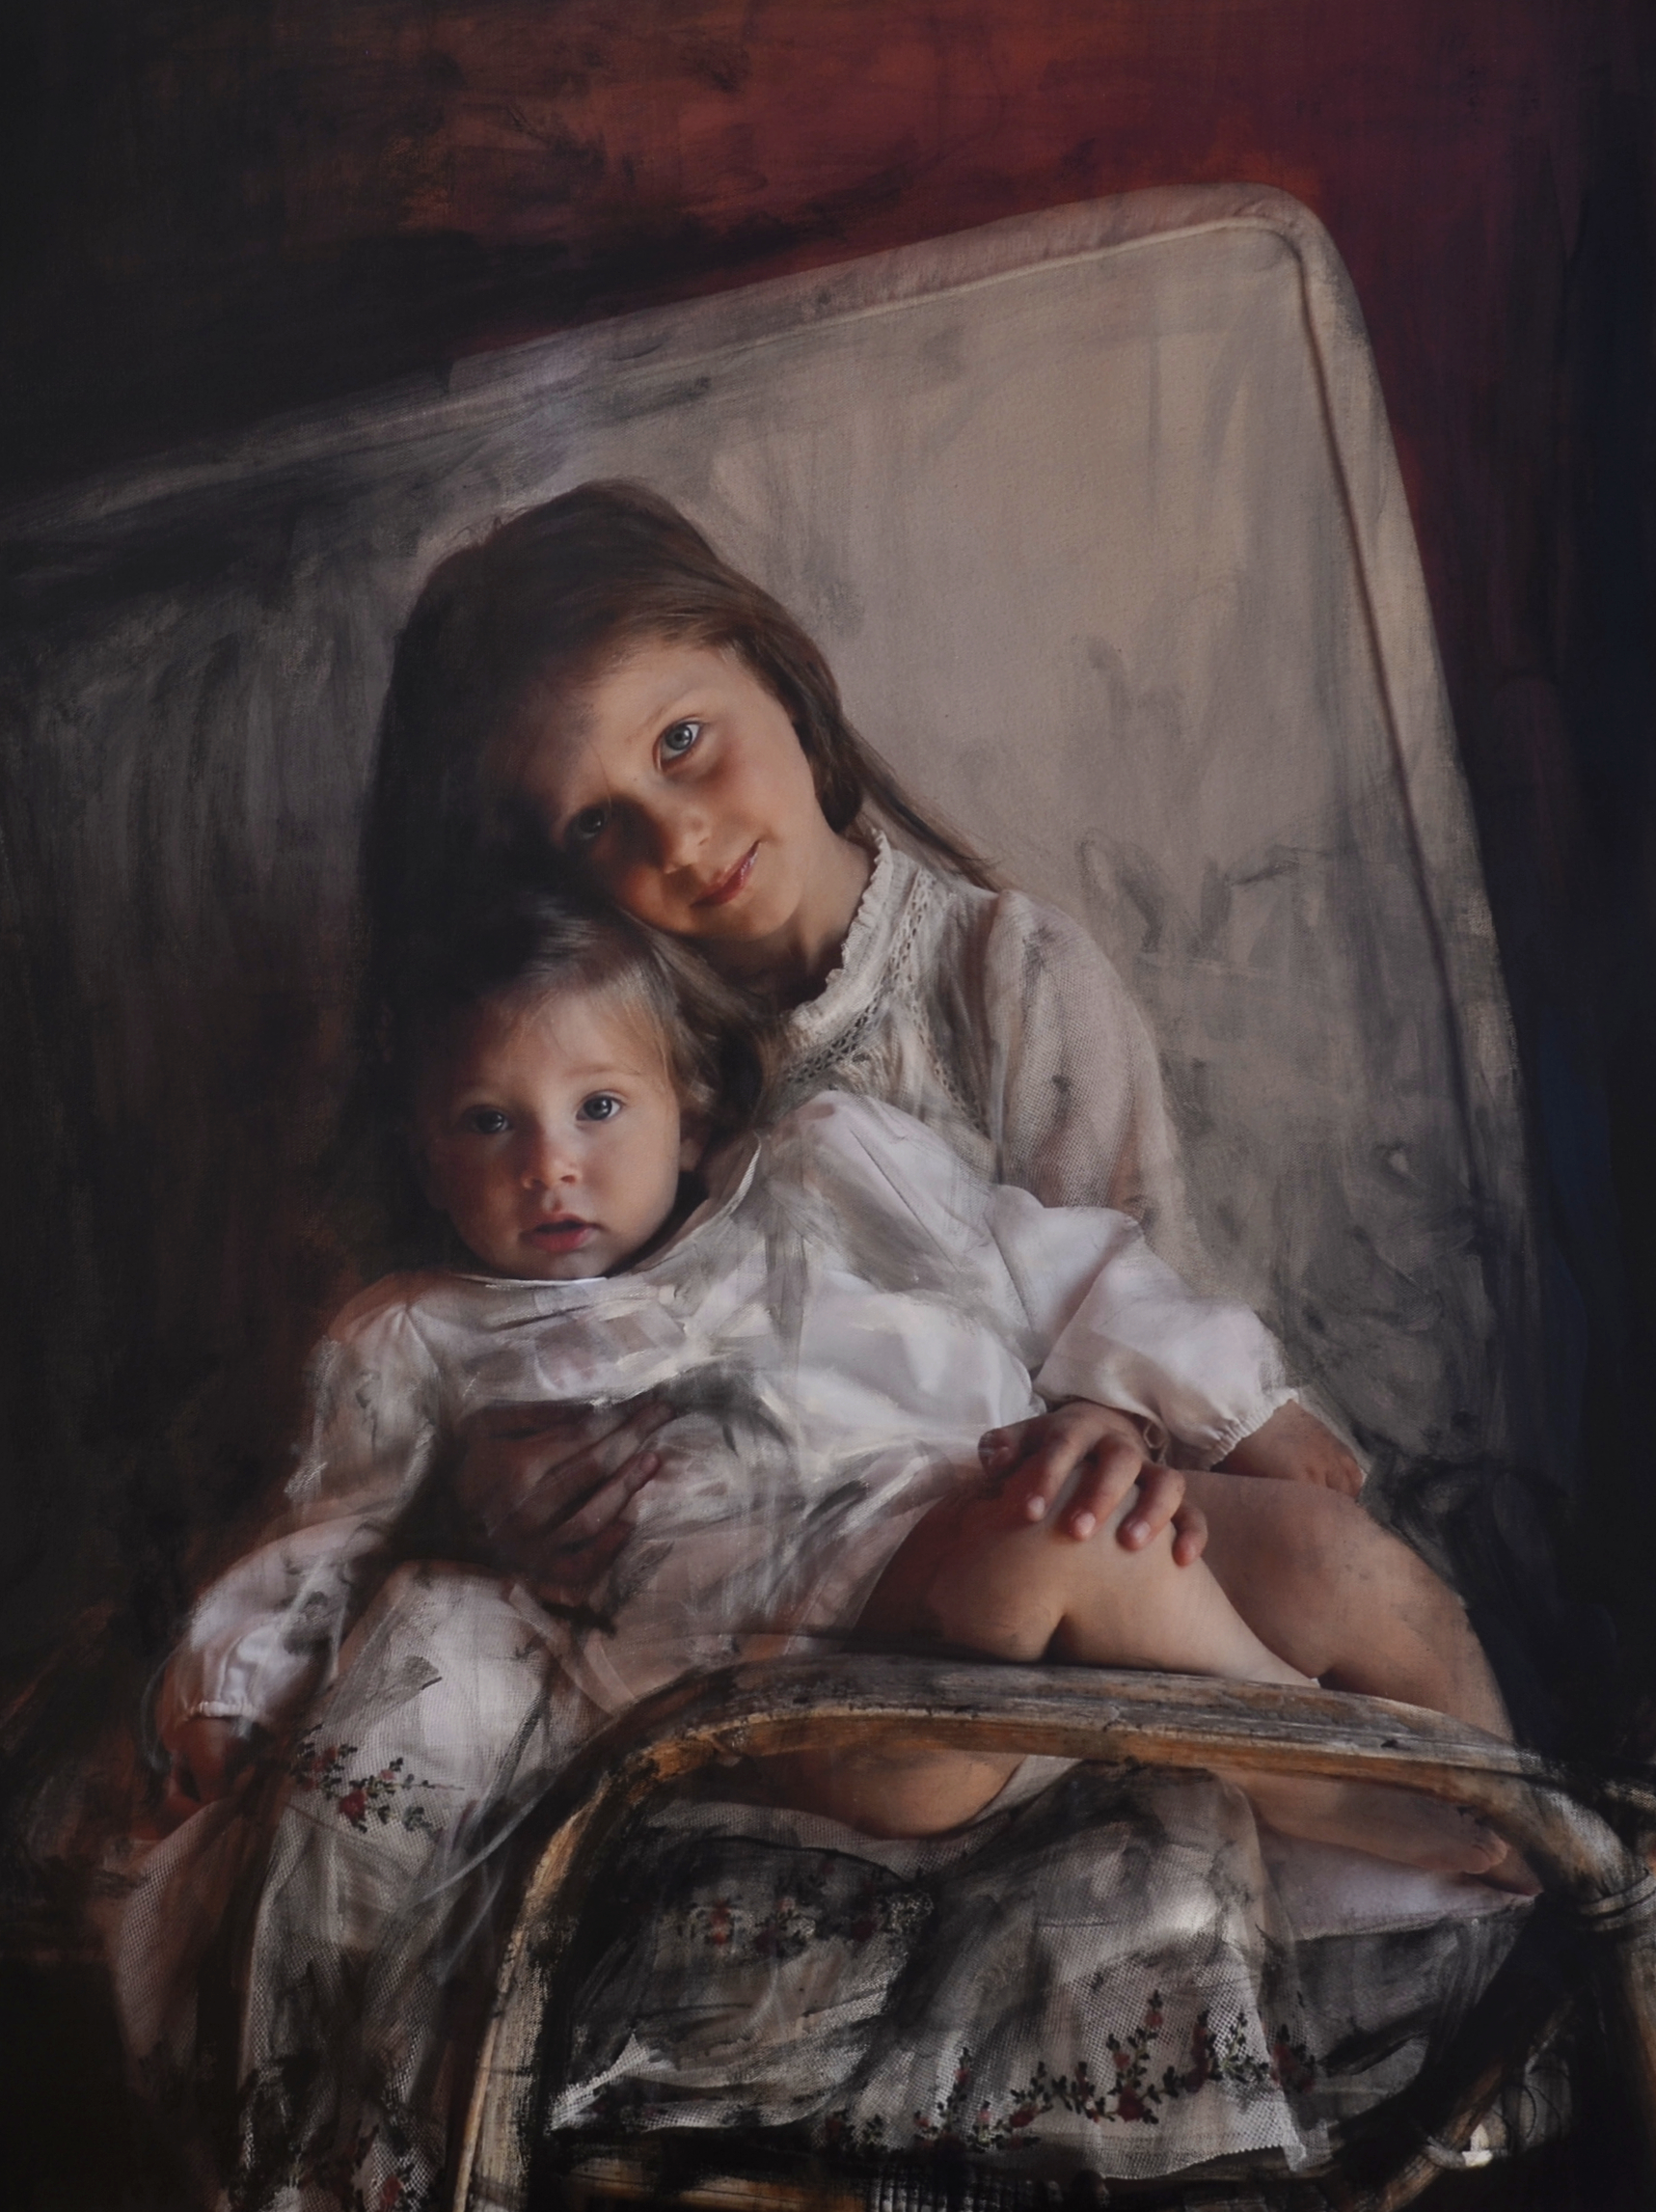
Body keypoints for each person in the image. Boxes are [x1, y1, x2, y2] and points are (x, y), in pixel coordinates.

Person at [157, 895, 1511, 1869]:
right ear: (426, 1153)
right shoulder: (423, 1336)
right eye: (487, 1123)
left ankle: (1527, 1819)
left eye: (598, 1107)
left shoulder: (826, 1169)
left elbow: (1060, 1266)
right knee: (1079, 1544)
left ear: (689, 1107)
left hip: (997, 1532)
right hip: (833, 1691)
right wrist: (229, 1701)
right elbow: (328, 1541)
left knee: (1324, 1551)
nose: (548, 1164)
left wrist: (1238, 1399)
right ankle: (1322, 1774)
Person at [359, 481, 1365, 1611]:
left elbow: (1136, 1287)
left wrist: (1106, 1421)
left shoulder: (1007, 976)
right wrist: (522, 1491)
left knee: (1329, 1573)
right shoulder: (594, 1074)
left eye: (681, 741)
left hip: (1061, 1545)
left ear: (775, 675)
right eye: (595, 821)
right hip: (778, 1598)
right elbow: (515, 1340)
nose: (678, 838)